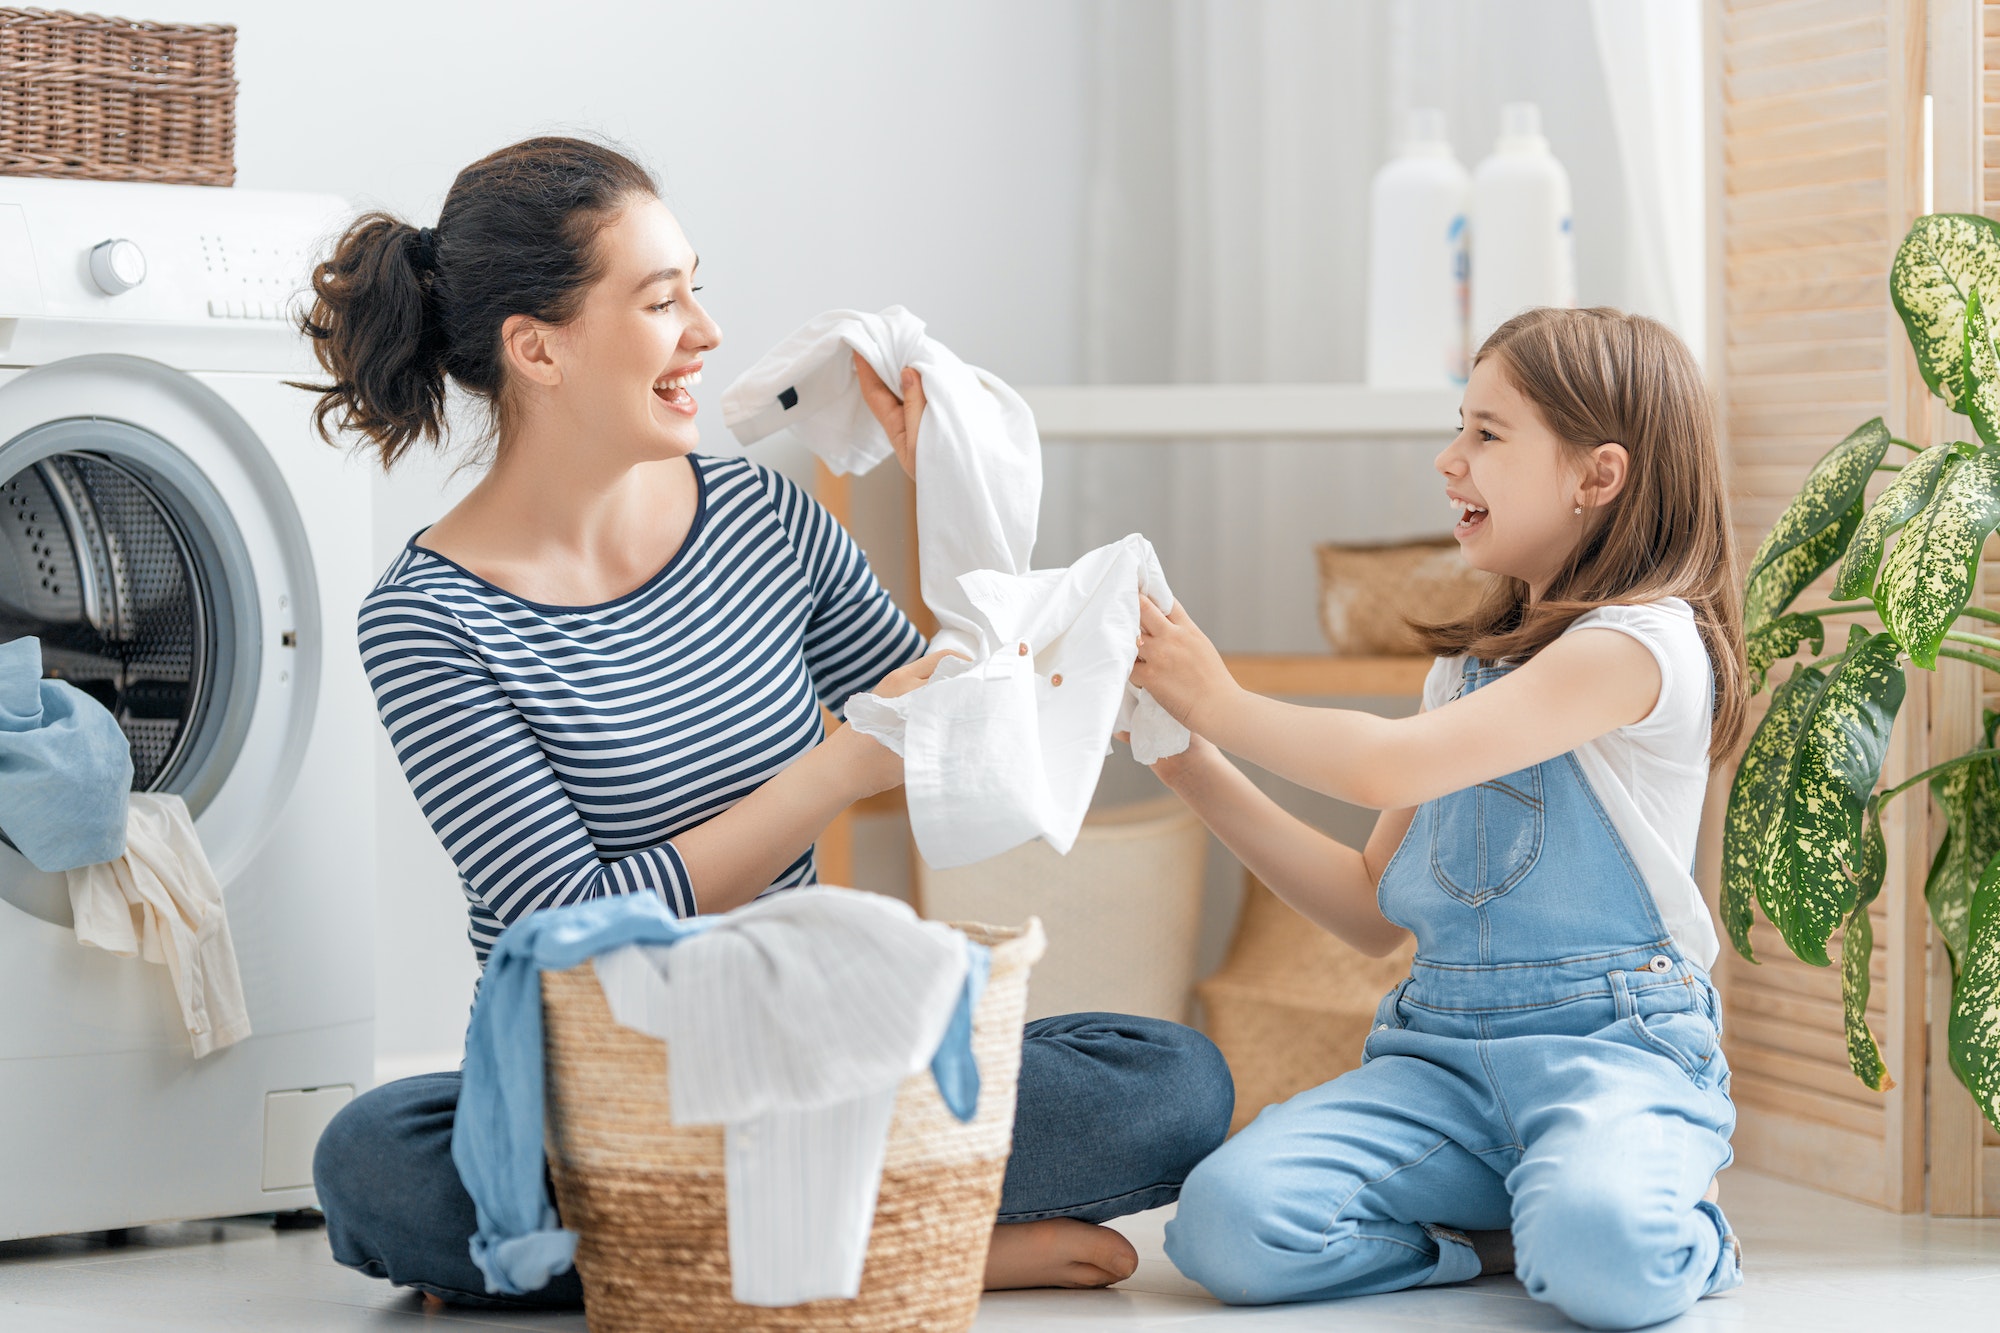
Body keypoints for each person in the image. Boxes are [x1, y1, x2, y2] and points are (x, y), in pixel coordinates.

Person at [301, 135, 1232, 1309]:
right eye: (660, 299)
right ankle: (910, 1238)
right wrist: (838, 763)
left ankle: (657, 1256)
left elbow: (960, 729)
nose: (705, 329)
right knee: (375, 1161)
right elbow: (570, 921)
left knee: (1169, 1081)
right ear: (536, 347)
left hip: (815, 1041)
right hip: (606, 1080)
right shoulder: (429, 620)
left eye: (697, 285)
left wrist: (946, 489)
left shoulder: (760, 517)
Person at [1131, 307, 1745, 1330]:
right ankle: (1495, 1239)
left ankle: (1666, 1219)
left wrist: (1219, 701)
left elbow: (1383, 767)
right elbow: (1371, 909)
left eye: (1485, 435)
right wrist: (1185, 754)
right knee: (1225, 1225)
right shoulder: (1461, 676)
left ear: (1596, 476)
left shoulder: (1640, 648)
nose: (1446, 459)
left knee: (1610, 1264)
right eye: (1458, 426)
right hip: (1440, 1060)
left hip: (1613, 1049)